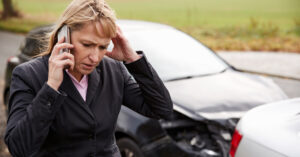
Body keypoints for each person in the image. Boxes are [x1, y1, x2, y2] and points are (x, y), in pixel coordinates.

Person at [4, 0, 173, 156]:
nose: (95, 57)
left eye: (102, 47)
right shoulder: (28, 75)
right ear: (65, 35)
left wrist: (133, 59)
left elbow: (161, 109)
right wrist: (51, 87)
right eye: (87, 45)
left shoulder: (113, 70)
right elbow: (19, 148)